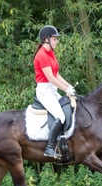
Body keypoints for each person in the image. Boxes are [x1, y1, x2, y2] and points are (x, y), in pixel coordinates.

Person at [33, 25, 76, 158]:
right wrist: (65, 89)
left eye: (57, 39)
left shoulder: (51, 53)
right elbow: (50, 78)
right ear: (46, 39)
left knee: (68, 106)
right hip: (45, 90)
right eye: (55, 39)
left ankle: (62, 139)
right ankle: (49, 148)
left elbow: (56, 75)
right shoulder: (41, 55)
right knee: (60, 116)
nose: (57, 41)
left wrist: (69, 86)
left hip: (52, 89)